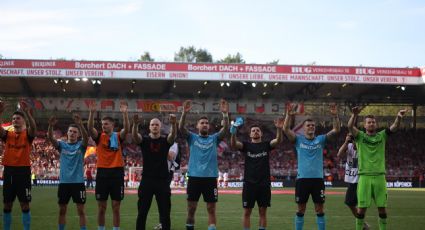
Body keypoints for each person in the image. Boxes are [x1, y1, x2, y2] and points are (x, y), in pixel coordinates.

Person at [348, 107, 407, 230]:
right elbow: (349, 127)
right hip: (364, 177)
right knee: (361, 209)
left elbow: (394, 127)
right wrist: (354, 115)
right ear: (364, 125)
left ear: (376, 124)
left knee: (382, 208)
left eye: (373, 122)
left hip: (380, 177)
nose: (371, 124)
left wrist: (399, 117)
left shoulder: (382, 135)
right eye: (368, 122)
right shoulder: (360, 136)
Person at [283, 104, 340, 230]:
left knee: (319, 209)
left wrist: (335, 115)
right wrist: (288, 115)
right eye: (308, 125)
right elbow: (286, 129)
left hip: (317, 180)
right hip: (302, 180)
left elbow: (336, 130)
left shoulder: (320, 139)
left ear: (315, 128)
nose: (311, 127)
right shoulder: (298, 140)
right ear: (304, 128)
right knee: (300, 209)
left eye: (313, 125)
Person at [179, 99, 229, 230]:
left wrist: (225, 114)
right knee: (191, 208)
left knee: (211, 208)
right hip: (194, 177)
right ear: (197, 126)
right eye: (202, 123)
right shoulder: (192, 137)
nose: (205, 124)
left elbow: (225, 130)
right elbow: (180, 128)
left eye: (207, 123)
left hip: (210, 178)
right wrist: (184, 113)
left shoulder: (214, 138)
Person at [230, 117, 284, 230]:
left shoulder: (266, 145)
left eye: (257, 130)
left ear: (261, 133)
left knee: (263, 212)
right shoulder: (246, 146)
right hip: (249, 184)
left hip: (264, 184)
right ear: (250, 135)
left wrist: (279, 129)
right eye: (253, 131)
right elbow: (234, 144)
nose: (255, 132)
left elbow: (278, 140)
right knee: (247, 212)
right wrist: (233, 132)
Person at [87, 101, 130, 230]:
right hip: (102, 173)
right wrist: (92, 113)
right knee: (101, 207)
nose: (103, 126)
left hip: (117, 173)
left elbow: (127, 129)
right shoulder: (99, 137)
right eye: (102, 124)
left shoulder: (118, 136)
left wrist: (125, 113)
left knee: (116, 206)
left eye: (106, 124)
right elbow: (90, 128)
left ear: (112, 125)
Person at [132, 114, 177, 230]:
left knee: (165, 214)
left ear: (160, 127)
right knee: (142, 213)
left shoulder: (165, 140)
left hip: (162, 181)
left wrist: (173, 124)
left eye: (157, 124)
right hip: (147, 180)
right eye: (152, 125)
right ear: (149, 127)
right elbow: (135, 137)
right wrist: (135, 124)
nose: (155, 126)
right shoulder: (144, 140)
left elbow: (172, 136)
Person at [47, 114, 88, 230]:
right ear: (67, 133)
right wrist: (50, 126)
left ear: (78, 134)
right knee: (62, 210)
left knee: (81, 211)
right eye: (71, 131)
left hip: (78, 183)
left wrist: (80, 124)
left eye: (75, 132)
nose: (72, 133)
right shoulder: (62, 145)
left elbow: (86, 137)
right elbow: (51, 138)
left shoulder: (81, 146)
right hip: (64, 183)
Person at [1, 101, 37, 230]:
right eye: (13, 118)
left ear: (23, 121)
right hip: (9, 171)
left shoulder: (27, 135)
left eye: (18, 118)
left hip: (23, 172)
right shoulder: (7, 135)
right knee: (7, 205)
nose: (15, 120)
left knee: (25, 205)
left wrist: (27, 113)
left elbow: (34, 128)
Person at [337, 134, 369, 230]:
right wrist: (346, 141)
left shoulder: (364, 147)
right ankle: (363, 223)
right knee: (350, 203)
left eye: (356, 140)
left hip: (362, 180)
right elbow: (339, 154)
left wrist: (359, 145)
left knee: (361, 205)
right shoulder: (349, 146)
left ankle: (361, 225)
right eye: (353, 140)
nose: (354, 142)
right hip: (352, 181)